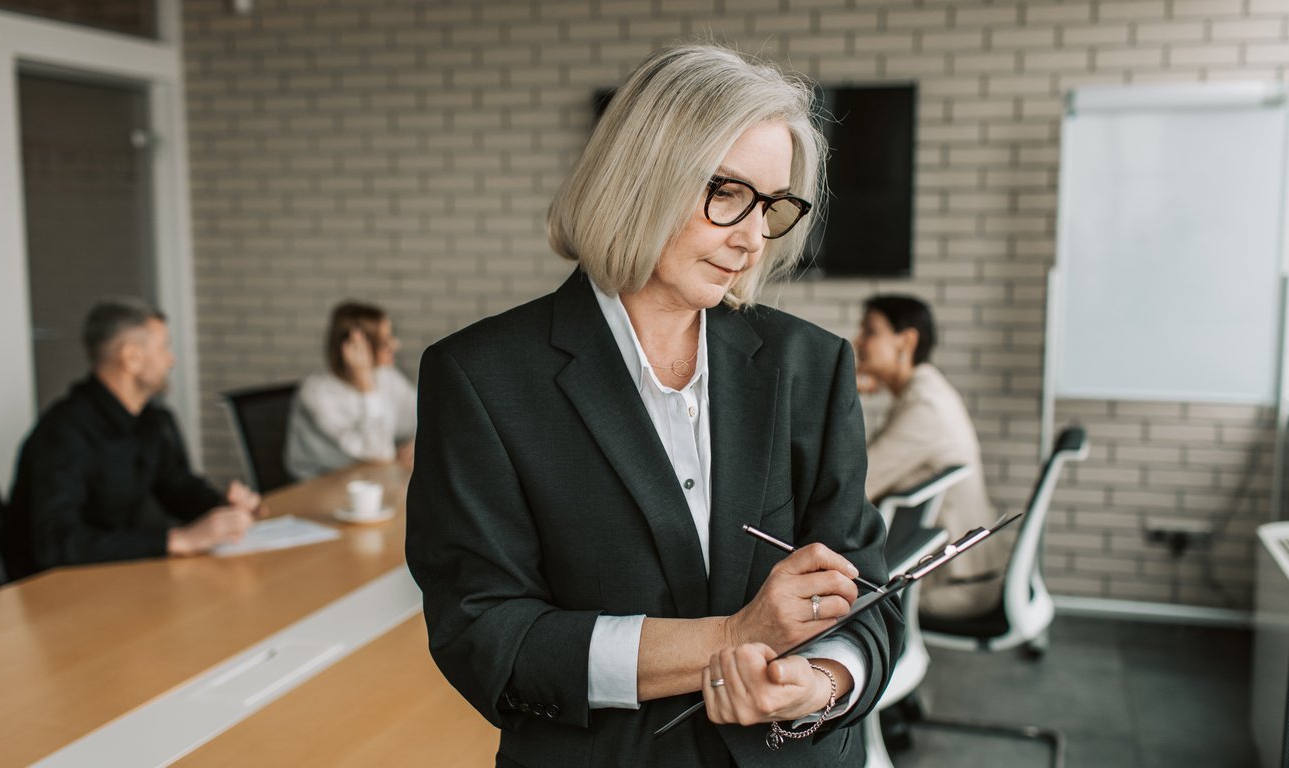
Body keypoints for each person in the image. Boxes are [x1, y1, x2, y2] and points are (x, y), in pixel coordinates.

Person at [406, 44, 901, 767]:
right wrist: (728, 639)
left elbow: (867, 597)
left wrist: (819, 683)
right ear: (641, 176)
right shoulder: (481, 378)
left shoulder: (813, 367)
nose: (753, 239)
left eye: (774, 206)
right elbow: (486, 637)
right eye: (727, 193)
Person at [0, 299, 264, 580]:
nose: (170, 360)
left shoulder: (153, 420)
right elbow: (57, 544)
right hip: (47, 592)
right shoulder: (63, 431)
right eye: (163, 347)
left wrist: (225, 510)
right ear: (131, 357)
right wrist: (176, 540)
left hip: (113, 575)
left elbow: (177, 486)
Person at [853, 295, 1007, 619]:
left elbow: (855, 487)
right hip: (958, 575)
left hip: (956, 587)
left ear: (906, 341)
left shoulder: (924, 407)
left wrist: (841, 397)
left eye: (870, 331)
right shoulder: (924, 391)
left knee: (833, 613)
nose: (858, 341)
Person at [284, 301, 417, 479]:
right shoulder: (317, 393)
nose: (395, 345)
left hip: (370, 478)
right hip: (321, 484)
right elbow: (380, 455)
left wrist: (417, 442)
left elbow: (424, 416)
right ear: (355, 347)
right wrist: (366, 386)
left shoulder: (387, 377)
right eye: (384, 341)